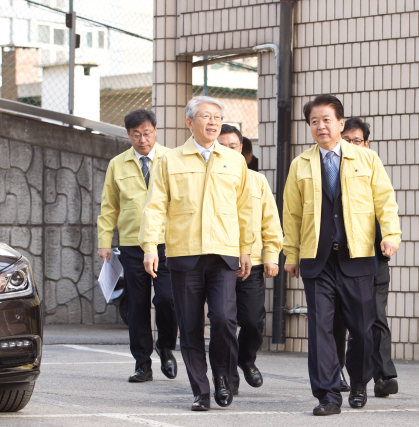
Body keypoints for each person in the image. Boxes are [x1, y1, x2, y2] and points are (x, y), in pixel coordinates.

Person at [282, 94, 401, 416]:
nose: (321, 126)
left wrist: (390, 235)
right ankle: (327, 395)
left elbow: (385, 201)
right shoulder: (300, 164)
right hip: (316, 260)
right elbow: (291, 214)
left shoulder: (367, 159)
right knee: (320, 329)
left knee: (362, 329)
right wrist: (290, 254)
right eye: (314, 121)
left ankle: (360, 383)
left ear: (341, 123)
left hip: (358, 256)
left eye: (326, 120)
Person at [139, 96, 254, 412]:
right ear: (190, 122)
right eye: (206, 116)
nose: (213, 122)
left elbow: (246, 210)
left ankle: (221, 377)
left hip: (224, 254)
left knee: (224, 320)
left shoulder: (235, 161)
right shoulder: (170, 161)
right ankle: (200, 390)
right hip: (184, 254)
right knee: (189, 326)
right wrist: (150, 247)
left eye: (217, 116)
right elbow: (154, 207)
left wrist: (248, 250)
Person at [97, 108, 178, 383]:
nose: (143, 140)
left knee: (168, 299)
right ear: (128, 135)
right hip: (132, 244)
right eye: (136, 135)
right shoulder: (117, 164)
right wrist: (105, 242)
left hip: (168, 243)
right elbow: (109, 206)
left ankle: (166, 347)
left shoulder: (172, 159)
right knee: (137, 306)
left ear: (155, 130)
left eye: (147, 133)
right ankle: (142, 363)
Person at [334, 117, 399, 398]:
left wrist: (390, 235)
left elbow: (386, 202)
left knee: (375, 315)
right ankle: (335, 370)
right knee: (336, 319)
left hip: (372, 254)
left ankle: (384, 375)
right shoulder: (326, 167)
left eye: (356, 140)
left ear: (367, 143)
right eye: (345, 140)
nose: (350, 146)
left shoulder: (371, 163)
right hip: (335, 257)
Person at [217, 124, 283, 395]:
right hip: (220, 262)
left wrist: (272, 256)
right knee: (225, 321)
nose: (227, 151)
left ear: (242, 150)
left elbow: (271, 220)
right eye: (221, 147)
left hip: (253, 262)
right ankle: (229, 375)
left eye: (232, 146)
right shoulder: (210, 183)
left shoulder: (257, 181)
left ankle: (246, 360)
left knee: (254, 322)